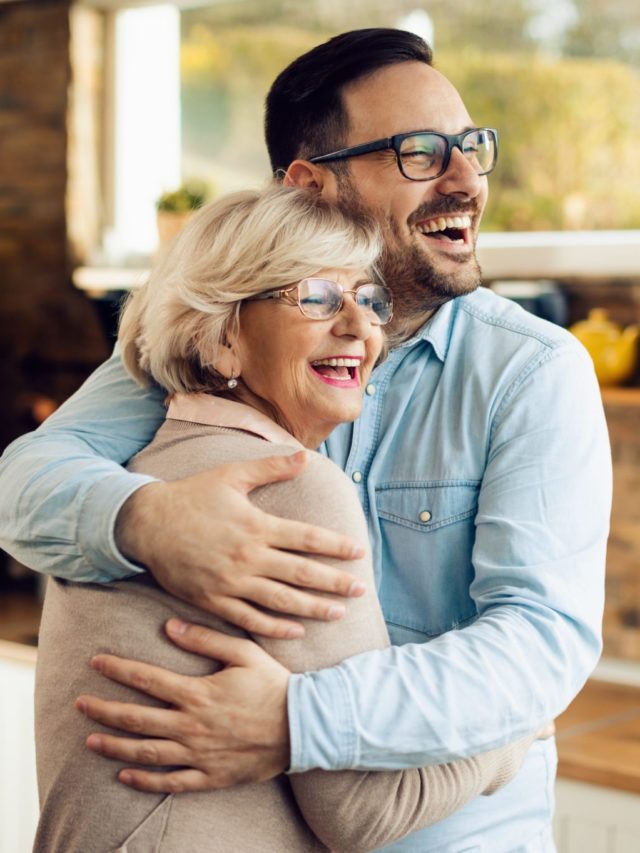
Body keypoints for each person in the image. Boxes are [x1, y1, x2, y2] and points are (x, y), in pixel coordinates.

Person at [1, 28, 610, 852]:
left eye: (471, 148)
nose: (466, 179)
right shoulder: (217, 336)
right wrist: (148, 522)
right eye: (421, 153)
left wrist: (294, 721)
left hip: (450, 833)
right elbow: (25, 481)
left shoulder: (532, 370)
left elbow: (540, 641)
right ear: (310, 184)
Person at [34, 184, 535, 853]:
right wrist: (515, 730)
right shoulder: (292, 487)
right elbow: (362, 813)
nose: (361, 327)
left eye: (368, 297)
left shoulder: (139, 472)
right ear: (221, 340)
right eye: (316, 297)